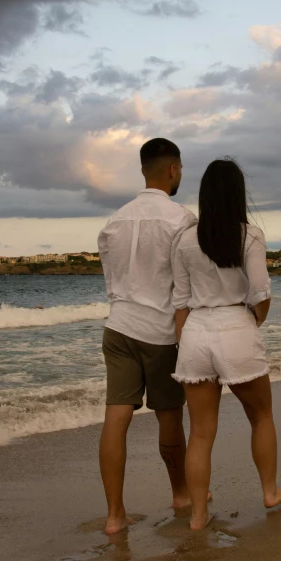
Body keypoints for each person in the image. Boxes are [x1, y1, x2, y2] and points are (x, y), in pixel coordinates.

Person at [172, 158, 281, 530]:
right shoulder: (250, 235)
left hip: (196, 331)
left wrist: (185, 344)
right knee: (261, 417)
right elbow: (260, 292)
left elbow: (180, 302)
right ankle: (270, 492)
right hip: (235, 327)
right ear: (238, 194)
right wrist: (253, 321)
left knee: (200, 432)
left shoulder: (184, 239)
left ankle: (197, 516)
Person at [97, 138, 197, 535]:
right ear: (173, 170)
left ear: (143, 169)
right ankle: (182, 495)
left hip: (118, 326)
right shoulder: (182, 219)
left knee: (115, 418)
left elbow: (111, 282)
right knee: (169, 415)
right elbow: (186, 284)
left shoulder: (114, 222)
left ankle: (115, 515)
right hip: (160, 332)